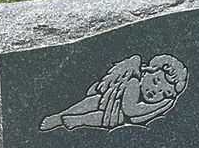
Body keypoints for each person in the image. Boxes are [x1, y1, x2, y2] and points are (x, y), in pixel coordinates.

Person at [39, 54, 188, 132]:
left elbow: (137, 120)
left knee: (106, 112)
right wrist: (162, 104)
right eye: (156, 82)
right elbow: (131, 110)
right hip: (110, 105)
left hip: (111, 110)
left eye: (163, 93)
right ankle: (66, 118)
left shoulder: (156, 100)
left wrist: (163, 105)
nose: (155, 91)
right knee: (95, 105)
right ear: (148, 71)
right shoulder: (134, 82)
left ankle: (75, 119)